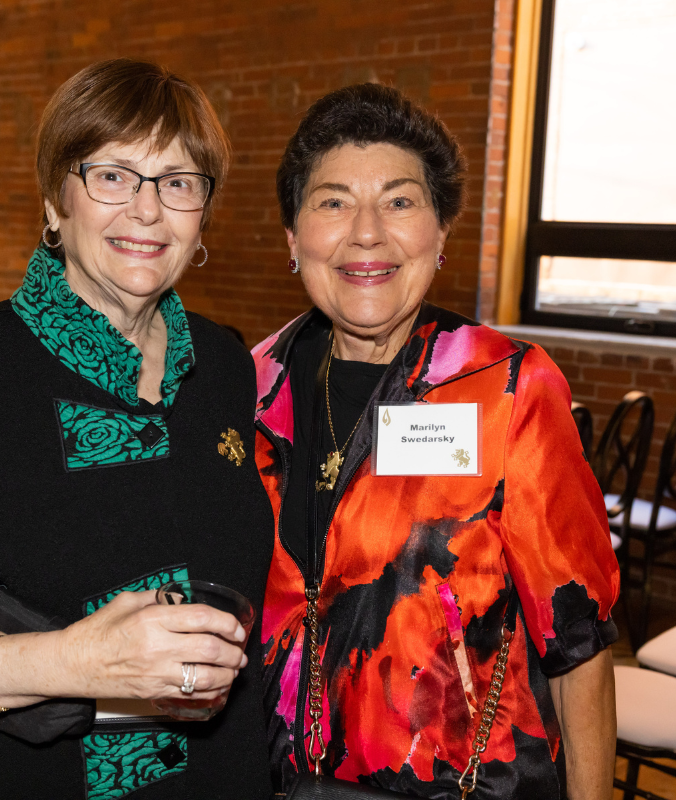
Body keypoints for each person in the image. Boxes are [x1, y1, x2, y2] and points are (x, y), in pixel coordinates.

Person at [0, 59, 274, 800]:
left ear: (202, 217)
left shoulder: (224, 363)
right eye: (114, 176)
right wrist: (72, 663)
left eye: (179, 182)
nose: (148, 211)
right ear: (57, 201)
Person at [253, 83, 619, 800]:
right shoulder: (251, 387)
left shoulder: (505, 389)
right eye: (332, 201)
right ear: (292, 239)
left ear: (442, 232)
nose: (367, 232)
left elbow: (577, 640)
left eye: (399, 200)